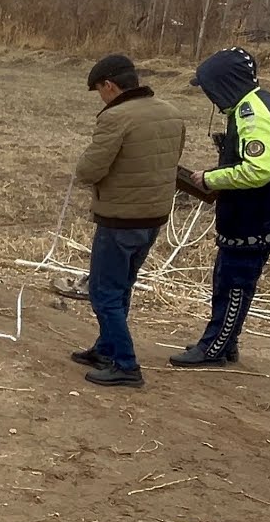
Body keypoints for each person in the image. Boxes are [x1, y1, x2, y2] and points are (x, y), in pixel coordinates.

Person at [170, 46, 270, 367]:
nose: (209, 96)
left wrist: (211, 179)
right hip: (265, 214)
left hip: (255, 219)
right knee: (229, 278)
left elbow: (260, 169)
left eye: (210, 88)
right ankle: (225, 342)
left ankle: (214, 347)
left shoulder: (251, 115)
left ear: (224, 84)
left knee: (233, 282)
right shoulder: (264, 102)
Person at [71, 55, 186, 387]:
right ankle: (106, 349)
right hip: (153, 217)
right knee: (122, 286)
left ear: (109, 85)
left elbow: (88, 170)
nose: (101, 98)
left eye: (99, 90)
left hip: (120, 219)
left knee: (103, 291)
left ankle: (125, 364)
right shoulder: (171, 112)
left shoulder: (116, 117)